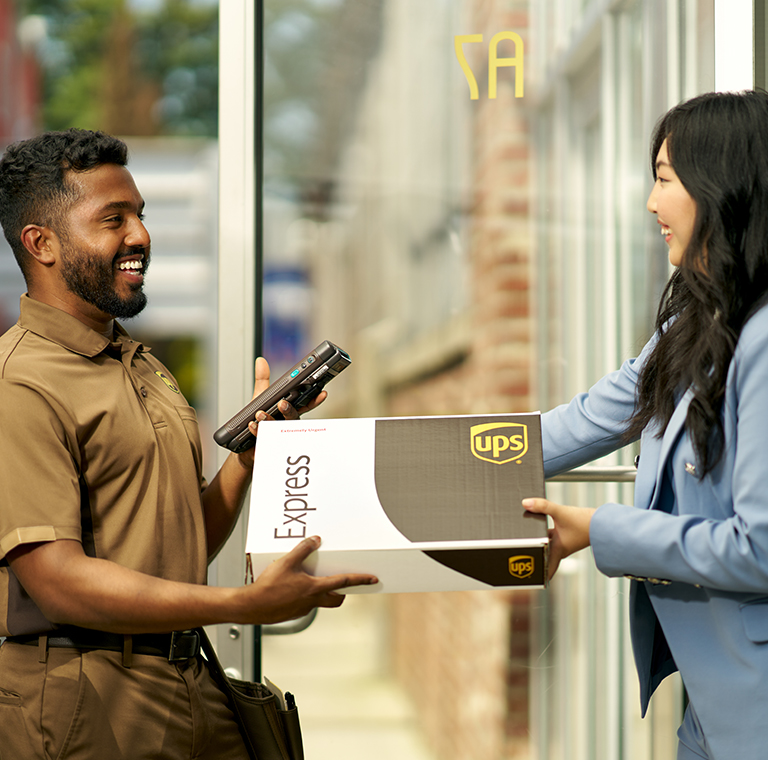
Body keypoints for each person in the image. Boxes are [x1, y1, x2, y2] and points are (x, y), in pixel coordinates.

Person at [0, 128, 378, 760]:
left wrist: (246, 463)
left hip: (189, 684)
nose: (140, 236)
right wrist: (242, 604)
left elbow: (176, 541)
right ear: (41, 244)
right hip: (85, 706)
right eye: (113, 219)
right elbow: (57, 581)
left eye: (140, 215)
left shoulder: (139, 363)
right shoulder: (20, 382)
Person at [523, 89, 768, 760]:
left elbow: (760, 548)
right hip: (712, 711)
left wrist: (597, 529)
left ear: (723, 184)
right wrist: (382, 458)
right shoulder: (695, 325)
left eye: (664, 178)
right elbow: (575, 424)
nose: (652, 203)